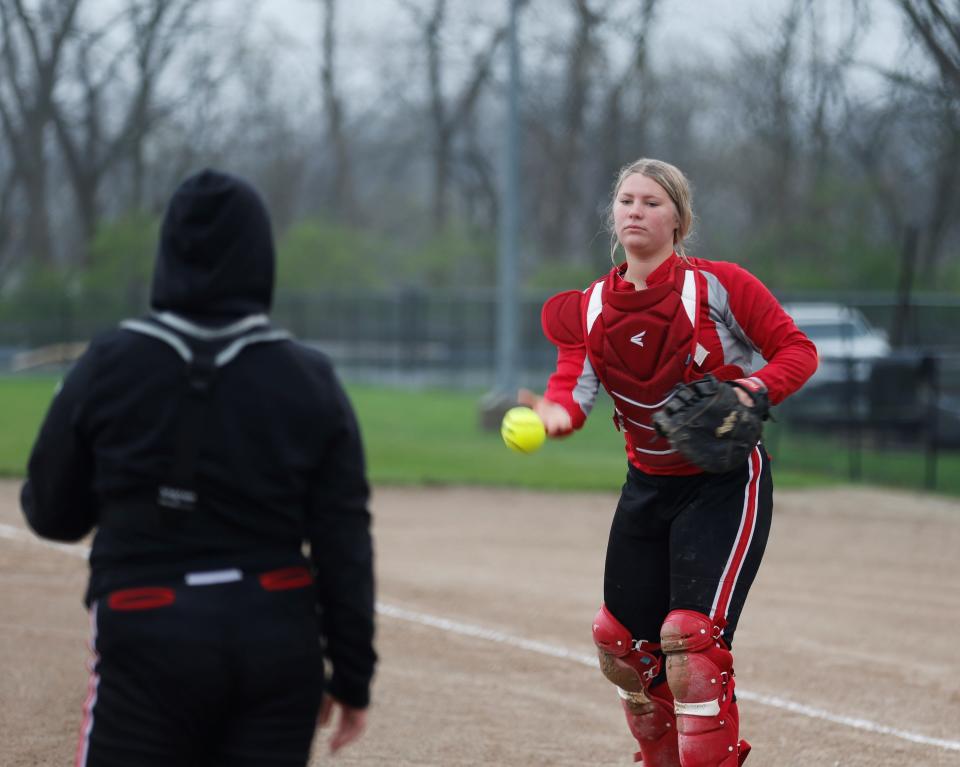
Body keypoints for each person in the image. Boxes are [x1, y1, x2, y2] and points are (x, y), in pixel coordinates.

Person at [20, 169, 376, 767]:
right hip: (275, 631)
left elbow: (52, 513)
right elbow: (344, 540)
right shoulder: (308, 377)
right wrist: (352, 676)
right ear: (260, 258)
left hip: (146, 619)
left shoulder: (110, 361)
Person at [520, 158, 817, 766]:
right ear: (613, 214)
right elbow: (570, 392)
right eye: (626, 200)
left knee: (691, 642)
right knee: (621, 647)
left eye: (652, 202)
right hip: (647, 485)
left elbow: (797, 351)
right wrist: (553, 417)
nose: (635, 210)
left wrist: (753, 389)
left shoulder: (720, 286)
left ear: (679, 220)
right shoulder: (589, 306)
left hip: (725, 484)